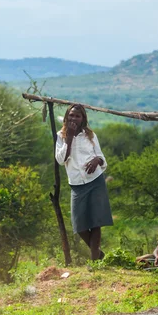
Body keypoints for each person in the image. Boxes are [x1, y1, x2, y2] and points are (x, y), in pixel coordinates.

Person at [55, 104, 113, 260]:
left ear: (83, 119)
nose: (74, 118)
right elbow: (61, 160)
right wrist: (69, 138)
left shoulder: (90, 135)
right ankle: (99, 254)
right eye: (71, 116)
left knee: (96, 221)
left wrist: (96, 160)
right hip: (76, 183)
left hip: (95, 180)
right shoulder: (61, 135)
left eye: (77, 116)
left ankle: (95, 259)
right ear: (67, 117)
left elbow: (102, 158)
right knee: (79, 225)